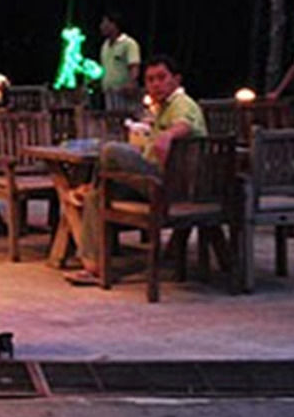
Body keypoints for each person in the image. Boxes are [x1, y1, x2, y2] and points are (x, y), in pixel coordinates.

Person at [66, 54, 205, 283]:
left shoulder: (181, 103)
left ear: (176, 80)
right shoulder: (160, 109)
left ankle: (88, 184)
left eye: (162, 78)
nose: (156, 84)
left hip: (170, 184)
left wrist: (168, 135)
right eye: (150, 80)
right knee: (96, 197)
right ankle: (94, 267)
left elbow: (186, 124)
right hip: (154, 181)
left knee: (111, 150)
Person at [97, 13, 142, 109]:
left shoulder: (129, 43)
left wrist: (131, 83)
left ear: (114, 25)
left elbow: (134, 66)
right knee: (112, 118)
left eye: (105, 23)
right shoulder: (105, 45)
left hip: (124, 92)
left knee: (126, 118)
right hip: (109, 92)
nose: (101, 27)